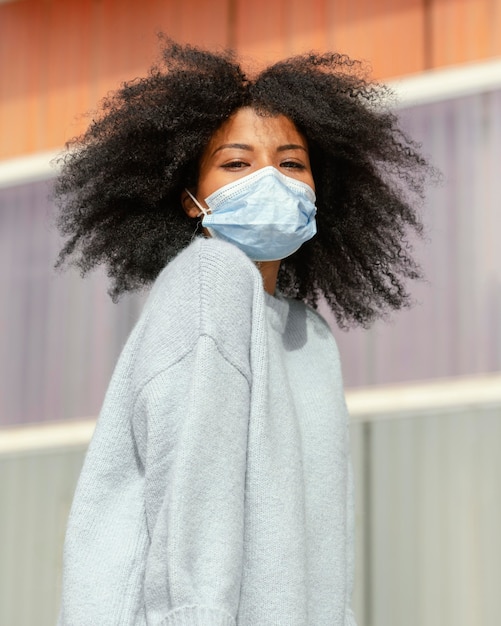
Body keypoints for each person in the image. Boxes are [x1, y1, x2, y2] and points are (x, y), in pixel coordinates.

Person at [54, 39, 430, 626]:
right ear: (190, 200)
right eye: (236, 163)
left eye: (291, 163)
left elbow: (323, 542)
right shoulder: (212, 281)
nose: (270, 180)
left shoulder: (308, 335)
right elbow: (192, 506)